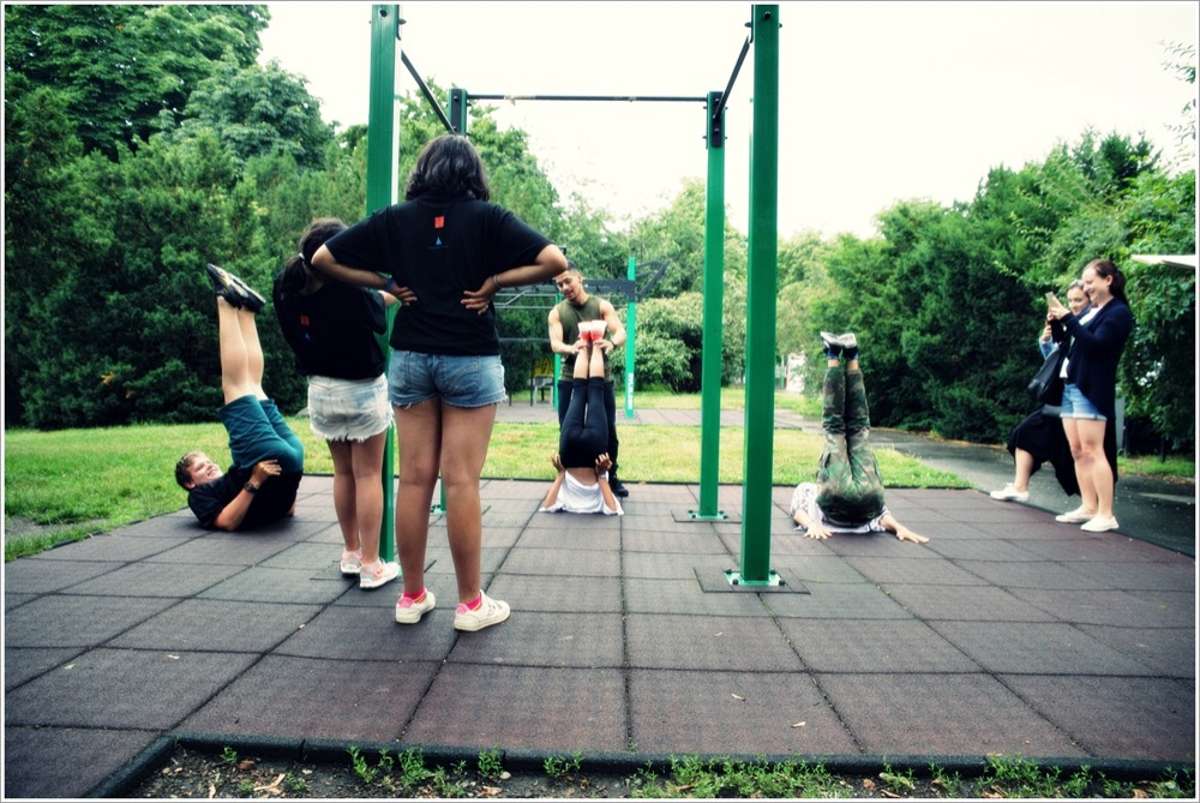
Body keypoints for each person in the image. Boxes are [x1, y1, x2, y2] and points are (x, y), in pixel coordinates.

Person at [310, 133, 568, 632]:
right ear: (472, 172)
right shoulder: (488, 218)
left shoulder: (395, 219)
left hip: (411, 357)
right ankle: (470, 605)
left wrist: (384, 283)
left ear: (423, 170)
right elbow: (554, 261)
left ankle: (411, 596)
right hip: (469, 355)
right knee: (461, 479)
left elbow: (322, 258)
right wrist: (495, 283)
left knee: (414, 478)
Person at [273, 218, 400, 590]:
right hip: (361, 389)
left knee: (343, 473)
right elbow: (376, 312)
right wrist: (397, 289)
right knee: (368, 475)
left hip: (320, 389)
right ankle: (372, 564)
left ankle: (350, 552)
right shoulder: (347, 286)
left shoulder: (287, 283)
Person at [175, 265, 304, 531]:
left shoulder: (229, 478)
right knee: (234, 386)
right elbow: (227, 522)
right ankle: (225, 299)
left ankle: (247, 311)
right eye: (200, 468)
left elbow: (288, 510)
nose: (210, 466)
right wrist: (254, 481)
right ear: (190, 483)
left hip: (291, 461)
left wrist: (279, 486)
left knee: (252, 385)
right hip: (269, 460)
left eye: (208, 462)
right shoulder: (199, 496)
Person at [788, 332, 928, 544]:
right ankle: (835, 354)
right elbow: (797, 511)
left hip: (869, 497)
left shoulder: (810, 492)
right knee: (835, 426)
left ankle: (852, 355)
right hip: (844, 498)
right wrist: (899, 527)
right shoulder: (810, 489)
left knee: (859, 427)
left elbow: (881, 515)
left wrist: (812, 525)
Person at [1047, 258, 1134, 533]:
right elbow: (1072, 343)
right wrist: (1058, 324)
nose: (1086, 288)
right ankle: (1088, 506)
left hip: (1093, 388)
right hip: (1073, 384)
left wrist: (1069, 319)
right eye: (1084, 283)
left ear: (1108, 280)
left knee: (1094, 450)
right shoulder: (1094, 311)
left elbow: (1096, 346)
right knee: (1078, 450)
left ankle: (1106, 513)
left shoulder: (1118, 313)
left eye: (1090, 282)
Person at [991, 281, 1093, 501]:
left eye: (1078, 300)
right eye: (1070, 300)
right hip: (1059, 396)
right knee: (1025, 434)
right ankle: (1020, 487)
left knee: (1078, 454)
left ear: (1090, 300)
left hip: (1079, 397)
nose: (1073, 305)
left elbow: (1085, 354)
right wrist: (1047, 339)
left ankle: (1095, 505)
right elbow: (1057, 362)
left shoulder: (1090, 322)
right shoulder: (1070, 324)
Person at [547, 266, 629, 497]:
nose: (564, 287)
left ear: (580, 278)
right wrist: (570, 348)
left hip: (601, 378)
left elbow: (621, 332)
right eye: (559, 284)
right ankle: (566, 477)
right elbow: (555, 344)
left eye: (567, 281)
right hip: (569, 378)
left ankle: (610, 476)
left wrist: (612, 343)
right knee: (567, 431)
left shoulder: (601, 306)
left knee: (608, 431)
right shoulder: (557, 312)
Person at [539, 325, 624, 516]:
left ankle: (594, 336)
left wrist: (601, 476)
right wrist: (561, 474)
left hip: (594, 455)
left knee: (595, 390)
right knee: (578, 391)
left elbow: (612, 509)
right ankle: (586, 338)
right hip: (570, 453)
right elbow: (547, 505)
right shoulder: (563, 502)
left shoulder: (598, 505)